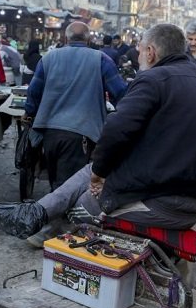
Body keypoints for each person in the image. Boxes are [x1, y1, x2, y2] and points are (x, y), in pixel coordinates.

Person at [0, 23, 196, 240]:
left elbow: (117, 128)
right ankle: (37, 213)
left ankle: (45, 226)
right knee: (90, 171)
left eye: (140, 50)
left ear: (151, 52)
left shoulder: (153, 79)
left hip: (164, 196)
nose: (139, 54)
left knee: (82, 201)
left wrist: (100, 173)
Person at [24, 22, 127, 190]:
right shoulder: (100, 59)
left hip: (49, 132)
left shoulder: (48, 58)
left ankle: (55, 212)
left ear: (66, 38)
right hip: (81, 133)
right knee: (68, 188)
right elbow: (120, 93)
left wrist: (29, 112)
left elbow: (34, 92)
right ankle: (60, 215)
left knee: (56, 181)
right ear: (89, 40)